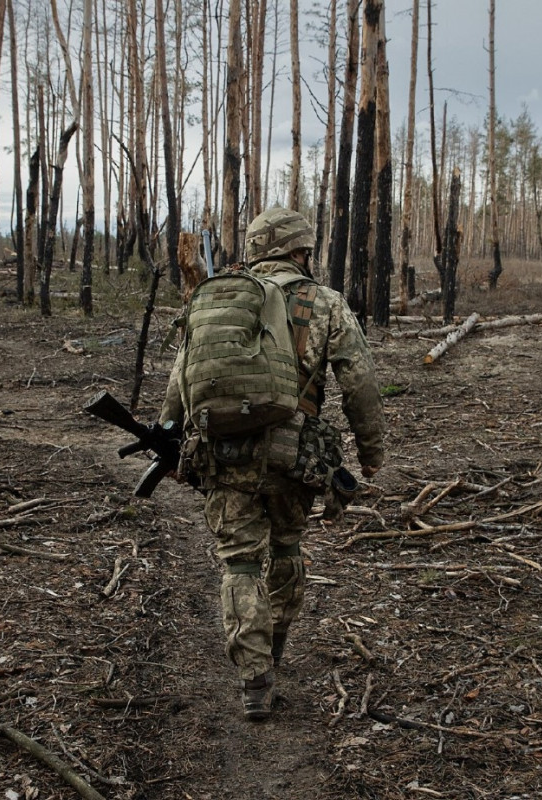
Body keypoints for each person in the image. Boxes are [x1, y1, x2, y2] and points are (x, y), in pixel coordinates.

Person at [160, 207, 387, 721]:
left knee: (239, 561)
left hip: (224, 454)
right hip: (295, 457)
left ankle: (253, 678)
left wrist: (171, 441)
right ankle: (276, 648)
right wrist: (371, 453)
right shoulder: (325, 303)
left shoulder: (216, 300)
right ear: (300, 250)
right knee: (286, 545)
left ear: (258, 250)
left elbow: (179, 382)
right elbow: (361, 384)